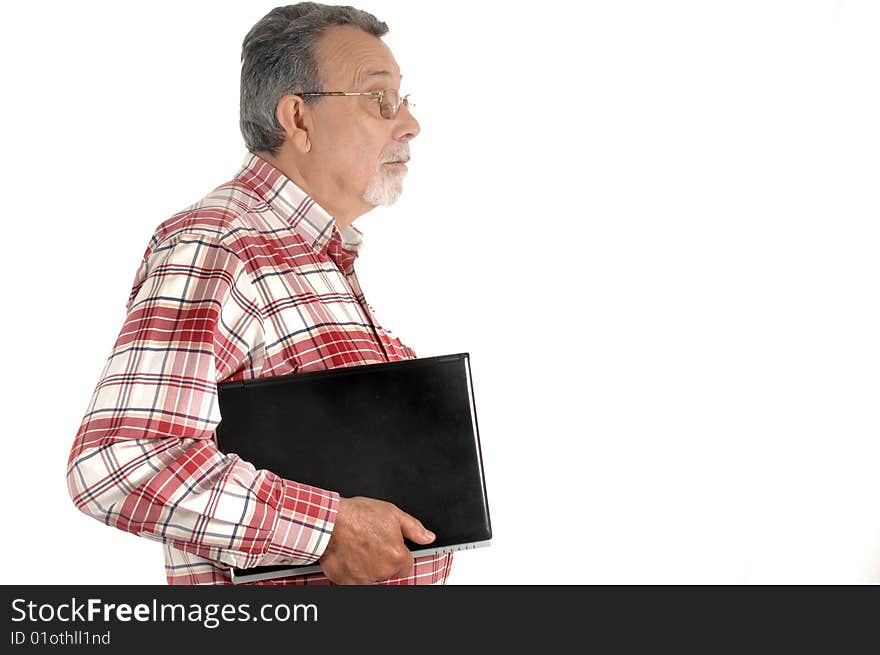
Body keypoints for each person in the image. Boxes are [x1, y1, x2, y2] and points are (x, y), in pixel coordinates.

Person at [66, 3, 452, 586]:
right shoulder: (219, 245)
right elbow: (120, 461)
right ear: (299, 118)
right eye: (379, 99)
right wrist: (327, 530)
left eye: (404, 100)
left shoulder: (312, 256)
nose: (409, 124)